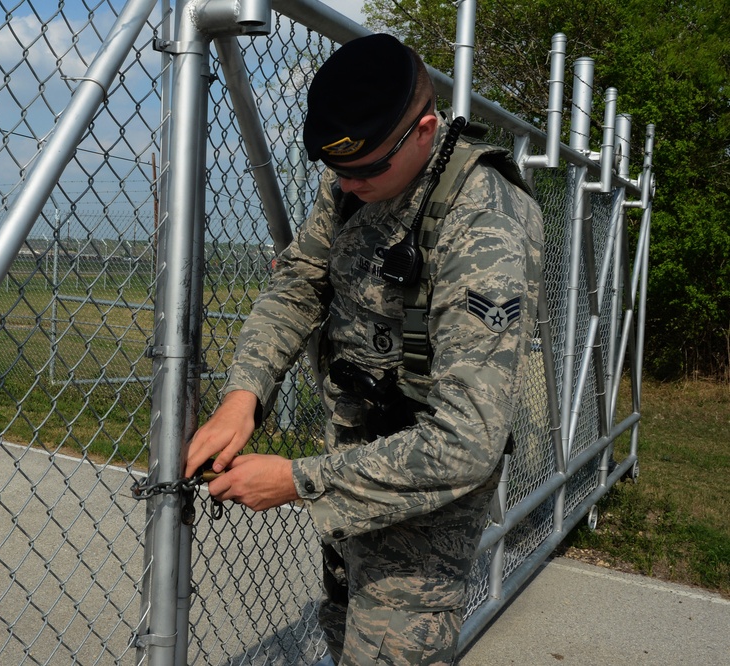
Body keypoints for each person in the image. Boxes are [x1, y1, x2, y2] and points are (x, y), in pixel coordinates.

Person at [185, 33, 544, 665]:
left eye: (366, 168)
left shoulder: (484, 220)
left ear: (426, 130)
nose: (347, 184)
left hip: (424, 503)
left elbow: (466, 441)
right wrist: (245, 393)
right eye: (336, 170)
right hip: (355, 462)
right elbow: (301, 280)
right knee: (341, 628)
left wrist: (299, 481)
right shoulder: (359, 180)